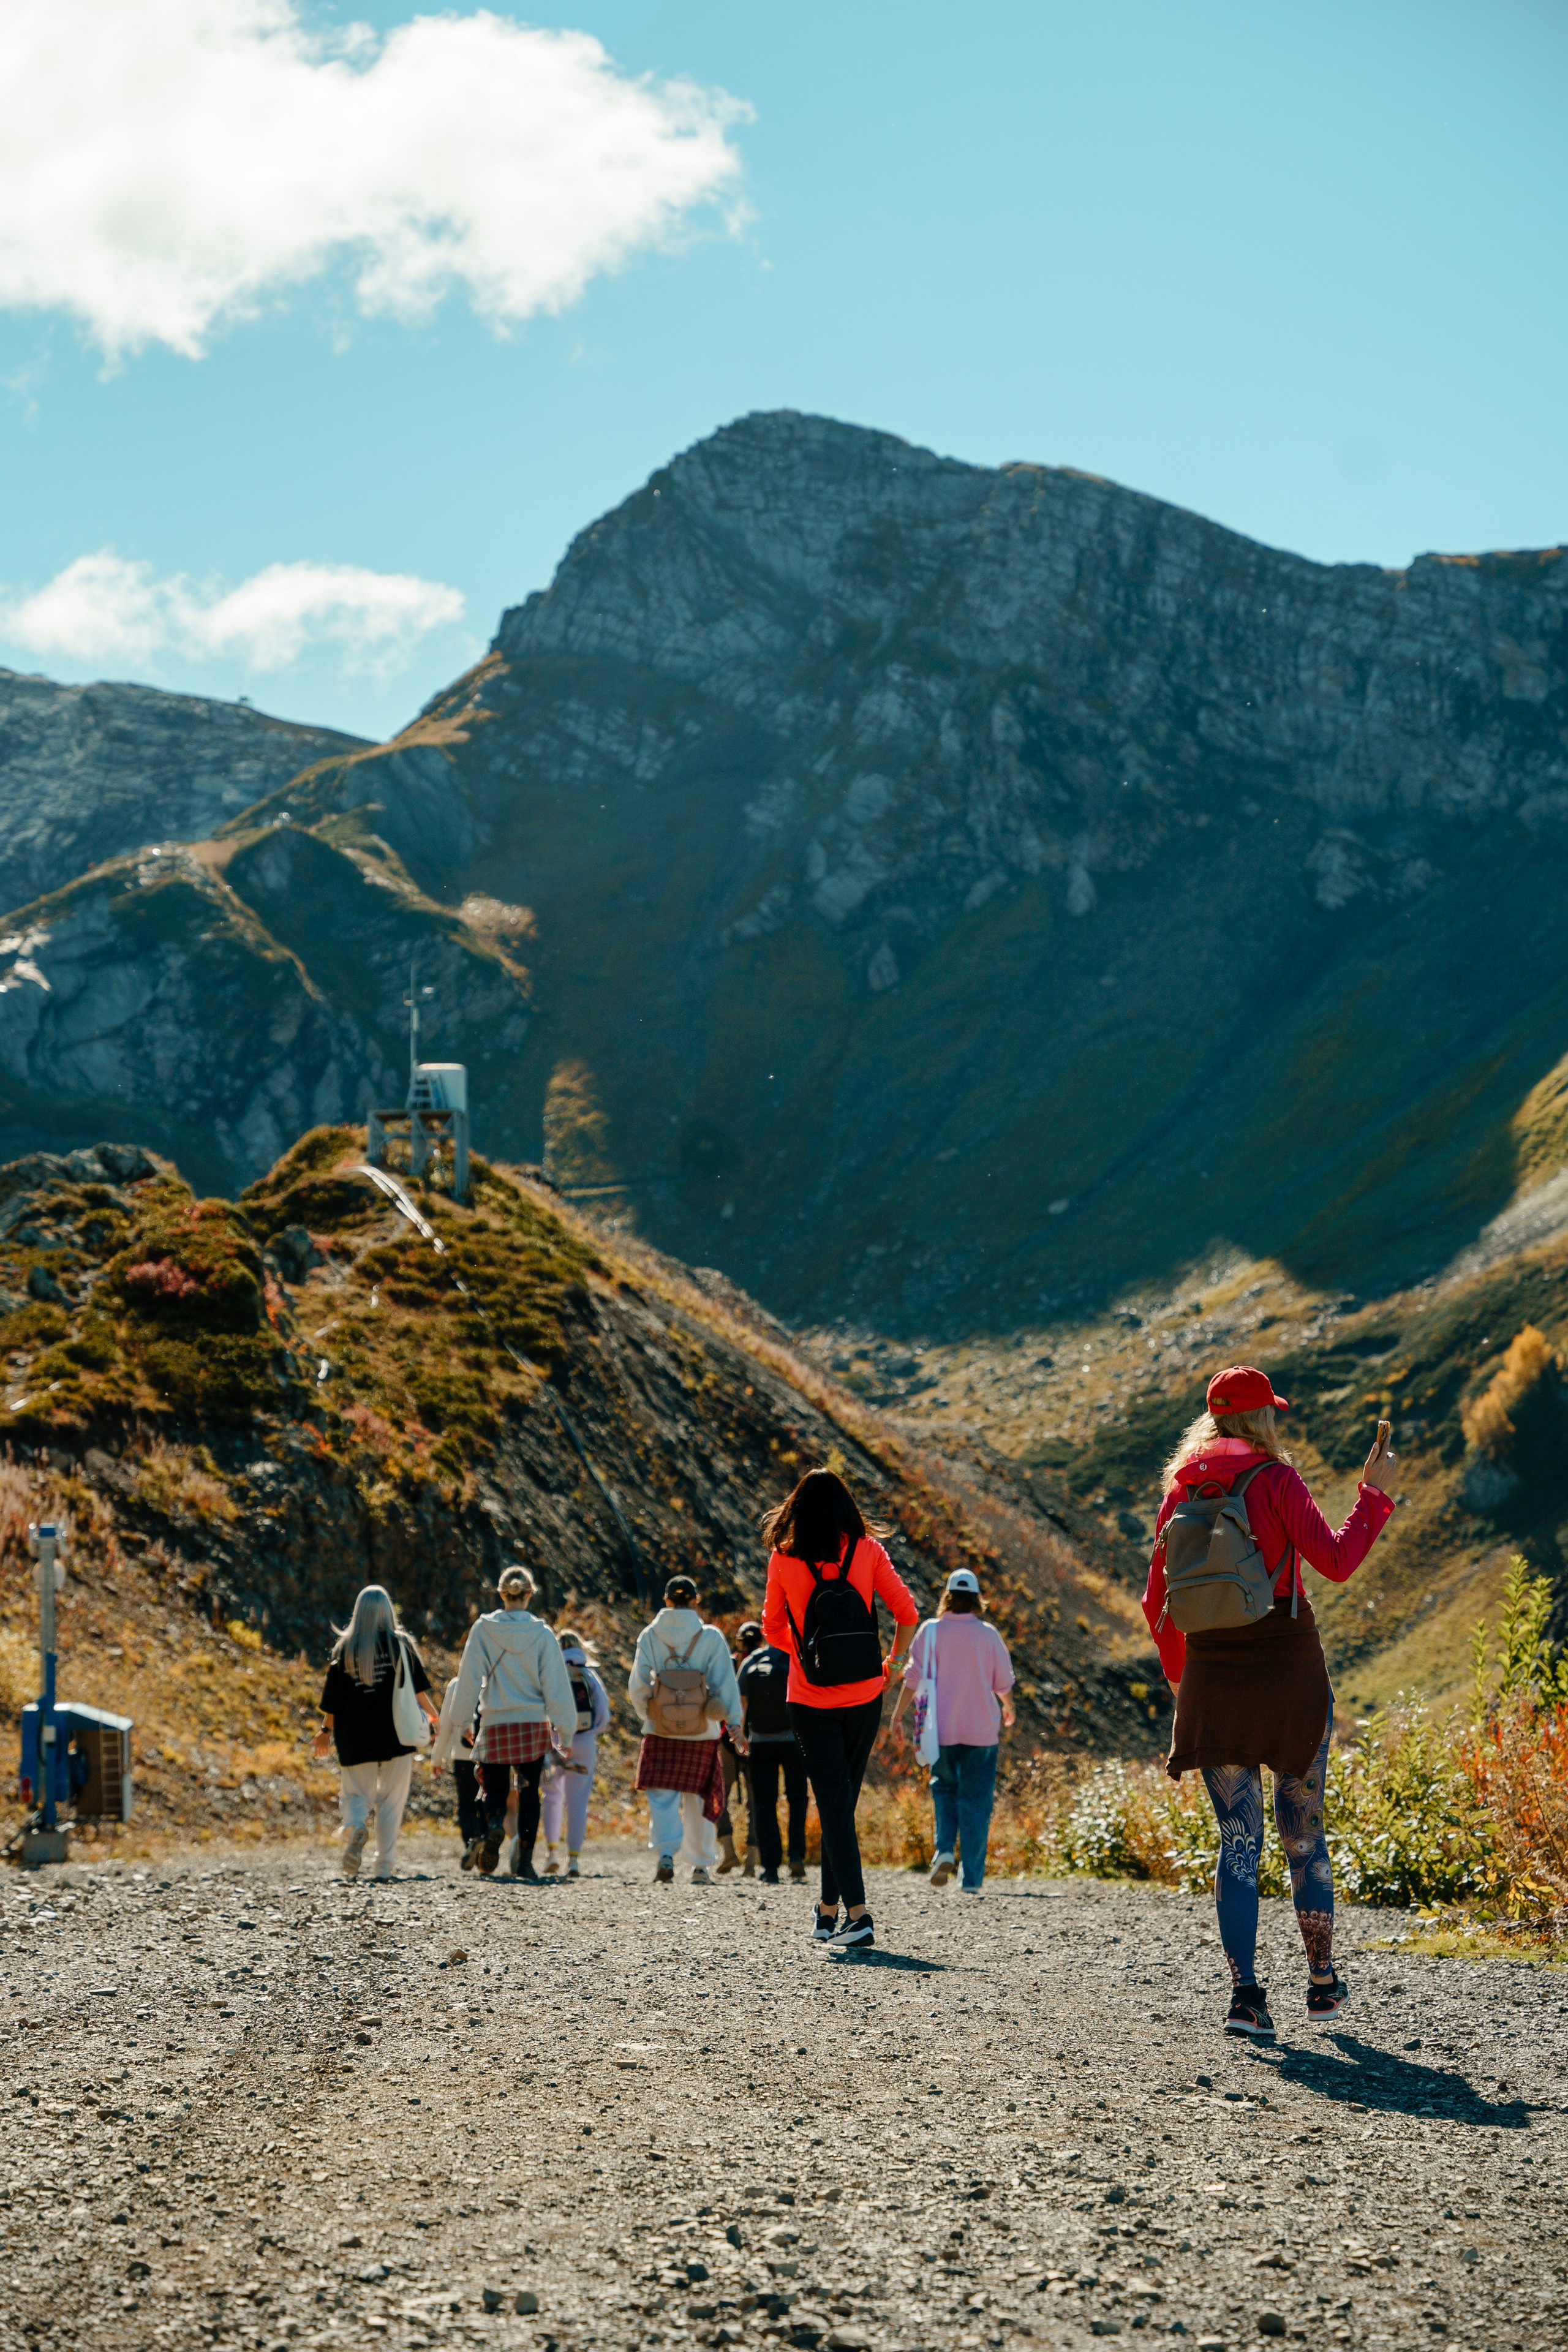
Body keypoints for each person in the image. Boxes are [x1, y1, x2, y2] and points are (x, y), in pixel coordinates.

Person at [1142, 1365, 1400, 2039]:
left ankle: (1246, 2000)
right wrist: (1372, 1496)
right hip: (1288, 1673)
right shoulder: (1277, 1480)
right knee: (1303, 1834)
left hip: (1213, 1679)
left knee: (1237, 1840)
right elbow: (1336, 1561)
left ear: (1211, 1419)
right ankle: (1321, 1985)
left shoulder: (1180, 1493)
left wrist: (1184, 1680)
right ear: (1262, 1419)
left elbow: (1155, 1601)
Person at [761, 1465, 919, 1948]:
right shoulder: (868, 1551)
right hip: (866, 1693)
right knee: (840, 1804)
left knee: (833, 1801)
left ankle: (859, 1915)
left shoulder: (783, 1558)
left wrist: (807, 1657)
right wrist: (893, 1666)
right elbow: (907, 1613)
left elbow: (771, 1628)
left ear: (796, 1511)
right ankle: (827, 1911)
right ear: (846, 1508)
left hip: (809, 1698)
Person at [434, 1564, 577, 1880]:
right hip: (532, 1724)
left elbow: (469, 1676)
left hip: (495, 1722)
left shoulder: (484, 1629)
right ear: (530, 1594)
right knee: (529, 1793)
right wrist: (565, 1730)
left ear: (501, 1594)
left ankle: (496, 1824)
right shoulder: (542, 1634)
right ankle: (525, 1861)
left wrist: (462, 1720)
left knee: (494, 1788)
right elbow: (555, 1685)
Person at [889, 1568, 1016, 1893]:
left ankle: (945, 1850)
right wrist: (1009, 1707)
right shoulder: (988, 1635)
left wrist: (897, 1716)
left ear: (947, 1596)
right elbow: (1003, 1683)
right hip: (981, 1732)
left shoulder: (930, 1631)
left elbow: (912, 1679)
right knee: (976, 1800)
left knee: (944, 1789)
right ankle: (971, 1880)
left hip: (940, 1731)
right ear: (976, 1599)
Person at [313, 1585, 440, 1881]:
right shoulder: (401, 1645)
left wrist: (325, 1732)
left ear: (358, 1612)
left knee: (355, 1794)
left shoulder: (344, 1649)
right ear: (387, 1611)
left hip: (354, 1738)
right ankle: (383, 1866)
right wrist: (435, 1720)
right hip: (396, 1736)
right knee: (392, 1801)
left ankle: (357, 1826)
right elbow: (419, 1692)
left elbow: (332, 1700)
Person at [629, 1575, 745, 1883]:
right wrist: (733, 1721)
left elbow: (638, 1684)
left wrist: (649, 1713)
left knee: (662, 1796)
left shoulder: (650, 1634)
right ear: (695, 1602)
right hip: (702, 1730)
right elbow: (725, 1684)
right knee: (700, 1798)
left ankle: (666, 1855)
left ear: (667, 1601)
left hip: (660, 1730)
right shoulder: (711, 1637)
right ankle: (700, 1867)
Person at [737, 1625, 810, 1884]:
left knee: (764, 1804)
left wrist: (740, 1737)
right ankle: (796, 1856)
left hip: (760, 1741)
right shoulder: (796, 1660)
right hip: (793, 1741)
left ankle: (770, 1866)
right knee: (797, 1799)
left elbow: (741, 1703)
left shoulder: (751, 1661)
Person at [539, 1630, 611, 1875]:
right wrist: (590, 1733)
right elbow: (604, 1714)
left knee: (551, 1797)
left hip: (553, 1741)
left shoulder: (551, 1673)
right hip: (584, 1742)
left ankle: (551, 1853)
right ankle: (574, 1859)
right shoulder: (589, 1675)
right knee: (578, 1802)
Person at [717, 1621, 765, 1875]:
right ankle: (751, 1860)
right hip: (757, 1741)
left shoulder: (729, 1664)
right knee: (755, 1801)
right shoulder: (764, 1664)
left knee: (719, 1795)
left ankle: (728, 1851)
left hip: (727, 1740)